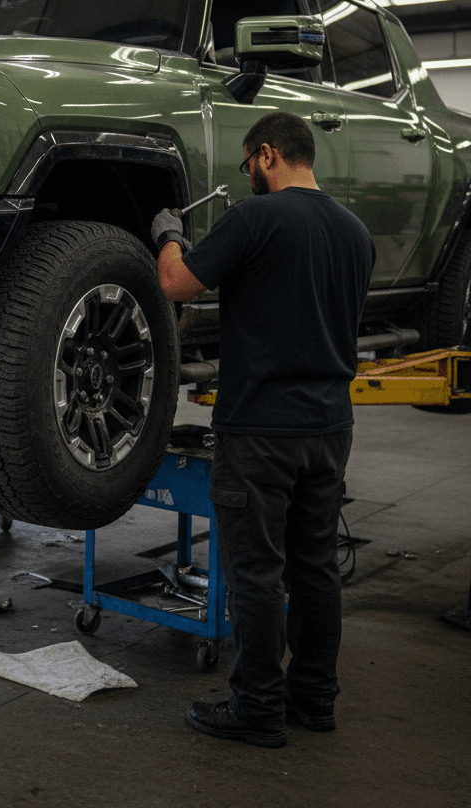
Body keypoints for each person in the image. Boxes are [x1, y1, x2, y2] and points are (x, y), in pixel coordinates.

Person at [150, 110, 375, 749]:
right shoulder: (356, 232)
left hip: (260, 430)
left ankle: (255, 707)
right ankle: (314, 700)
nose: (246, 174)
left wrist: (169, 234)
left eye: (249, 162)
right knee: (313, 568)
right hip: (330, 426)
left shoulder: (253, 219)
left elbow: (175, 283)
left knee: (255, 572)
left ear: (269, 154)